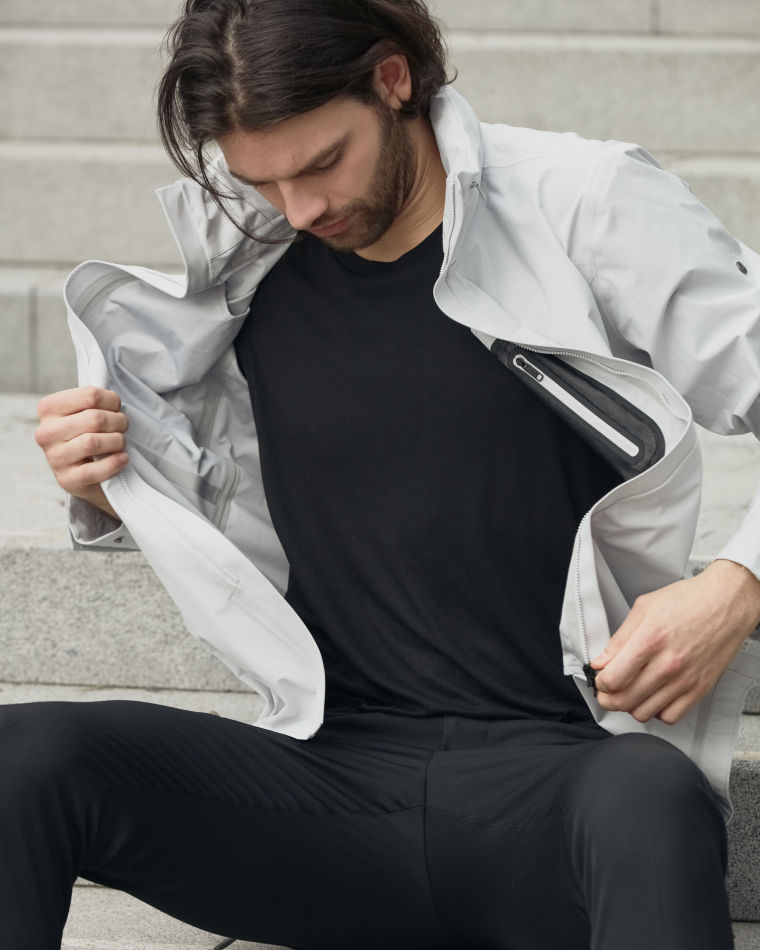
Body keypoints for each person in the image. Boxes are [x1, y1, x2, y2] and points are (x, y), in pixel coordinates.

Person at [20, 0, 760, 947]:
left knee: (650, 796)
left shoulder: (583, 203)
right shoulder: (250, 264)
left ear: (393, 79)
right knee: (25, 757)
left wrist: (736, 585)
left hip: (560, 784)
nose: (300, 209)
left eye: (323, 162)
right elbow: (230, 505)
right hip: (333, 793)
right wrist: (106, 482)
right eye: (261, 180)